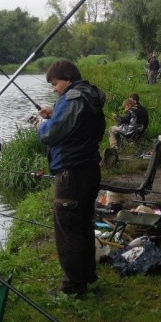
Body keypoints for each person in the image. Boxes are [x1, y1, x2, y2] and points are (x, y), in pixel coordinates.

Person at [36, 59, 106, 298]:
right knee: (84, 225)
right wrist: (56, 113)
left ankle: (73, 287)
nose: (55, 89)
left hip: (71, 173)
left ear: (67, 79)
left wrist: (42, 123)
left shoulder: (72, 98)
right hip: (89, 170)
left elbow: (50, 134)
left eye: (55, 84)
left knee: (67, 231)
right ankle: (87, 276)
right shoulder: (89, 95)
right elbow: (79, 122)